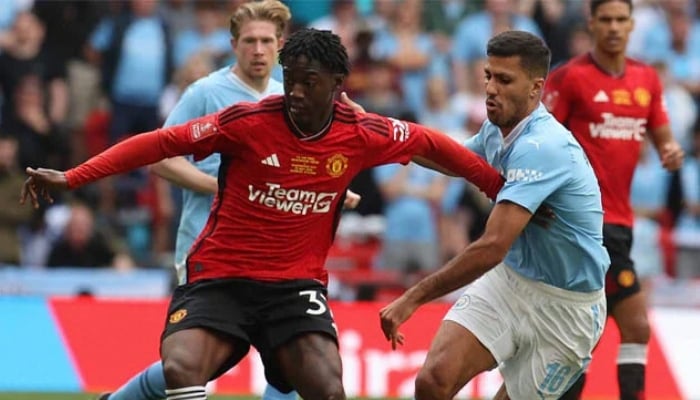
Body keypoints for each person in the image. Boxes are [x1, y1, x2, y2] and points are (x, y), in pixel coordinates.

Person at [21, 28, 505, 400]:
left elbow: (432, 144)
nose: (293, 91)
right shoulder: (247, 122)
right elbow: (161, 143)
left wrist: (495, 187)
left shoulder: (362, 132)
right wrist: (74, 175)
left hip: (295, 290)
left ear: (338, 85)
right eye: (289, 79)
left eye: (308, 83)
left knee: (329, 389)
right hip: (221, 278)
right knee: (182, 368)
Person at [93, 2, 360, 400]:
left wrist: (331, 188)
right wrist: (225, 187)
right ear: (233, 44)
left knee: (287, 355)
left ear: (280, 46)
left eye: (266, 41)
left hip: (272, 256)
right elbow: (161, 158)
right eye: (249, 41)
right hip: (206, 245)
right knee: (189, 366)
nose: (258, 50)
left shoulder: (292, 95)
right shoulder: (206, 92)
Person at [379, 30, 610, 399]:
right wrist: (375, 136)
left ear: (536, 88)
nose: (490, 88)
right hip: (511, 282)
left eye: (504, 80)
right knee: (432, 381)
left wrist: (413, 297)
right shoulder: (497, 128)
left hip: (567, 309)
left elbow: (492, 247)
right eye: (488, 76)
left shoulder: (544, 147)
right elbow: (451, 159)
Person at [542, 1, 685, 398]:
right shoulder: (569, 79)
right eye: (605, 20)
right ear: (592, 24)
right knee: (627, 325)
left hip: (619, 224)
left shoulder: (646, 80)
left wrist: (670, 150)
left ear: (632, 25)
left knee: (584, 333)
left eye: (621, 20)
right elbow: (540, 143)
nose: (614, 28)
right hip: (579, 223)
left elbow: (663, 134)